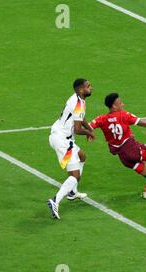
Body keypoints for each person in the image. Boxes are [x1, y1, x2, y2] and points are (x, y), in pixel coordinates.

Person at [47, 78, 95, 219]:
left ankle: (72, 193)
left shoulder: (78, 99)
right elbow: (78, 129)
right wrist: (89, 132)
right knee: (75, 176)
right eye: (88, 86)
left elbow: (80, 118)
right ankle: (55, 200)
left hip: (62, 138)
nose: (91, 88)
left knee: (81, 156)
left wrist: (90, 128)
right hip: (63, 141)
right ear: (81, 90)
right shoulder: (78, 102)